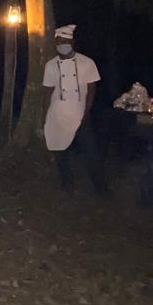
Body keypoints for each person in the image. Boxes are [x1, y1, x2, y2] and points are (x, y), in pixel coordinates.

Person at [43, 24, 107, 195]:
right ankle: (67, 185)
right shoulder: (50, 65)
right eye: (59, 42)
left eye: (65, 41)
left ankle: (101, 188)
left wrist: (86, 112)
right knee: (59, 150)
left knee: (90, 151)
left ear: (72, 42)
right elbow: (48, 91)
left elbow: (91, 90)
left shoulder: (87, 63)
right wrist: (48, 115)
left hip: (80, 114)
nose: (62, 45)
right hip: (58, 114)